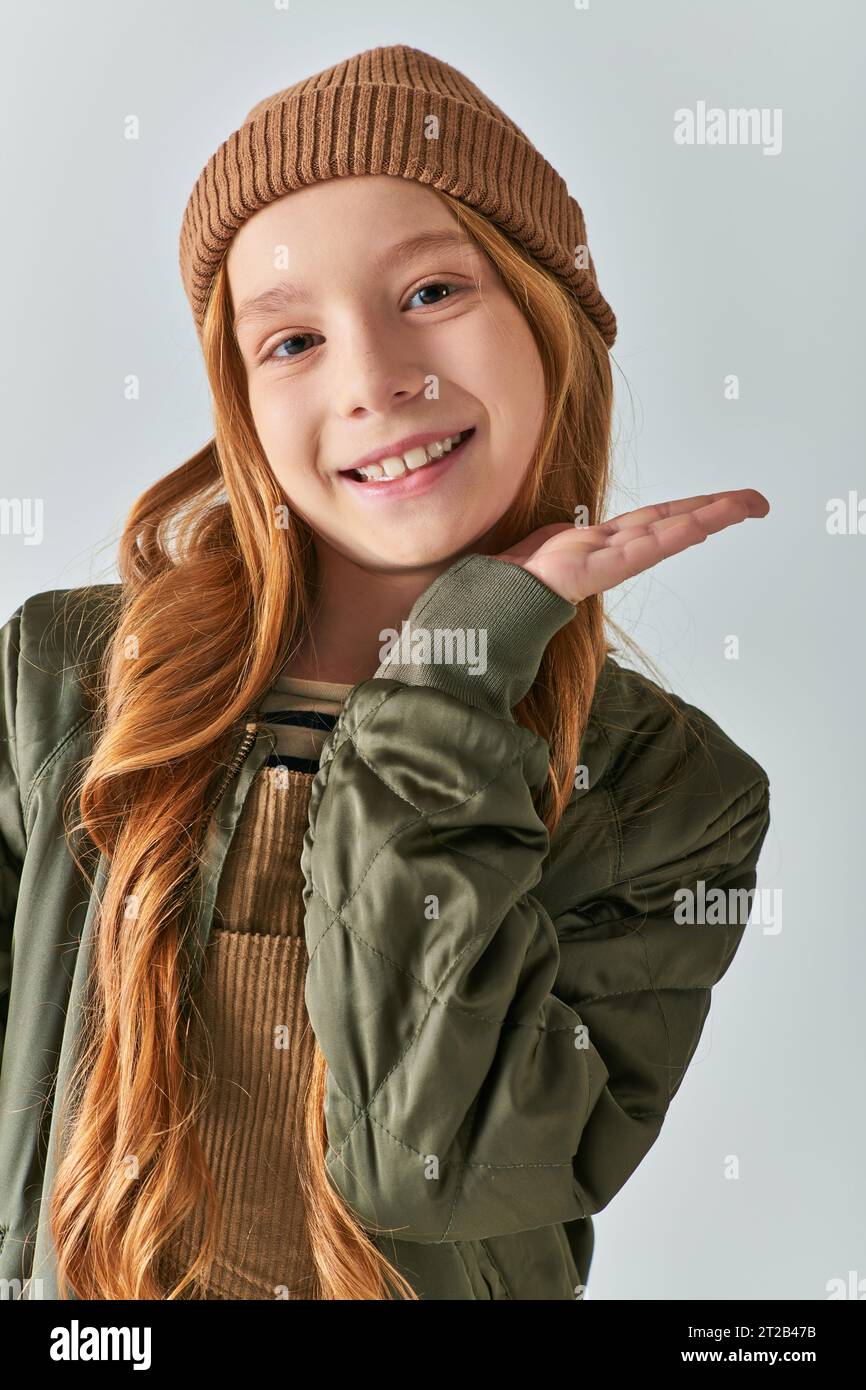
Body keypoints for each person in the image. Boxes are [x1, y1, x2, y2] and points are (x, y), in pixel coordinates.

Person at [0, 43, 771, 1302]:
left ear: (546, 315)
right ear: (241, 401)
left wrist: (445, 689)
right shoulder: (62, 685)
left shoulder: (670, 796)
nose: (371, 379)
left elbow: (440, 1169)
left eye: (427, 294)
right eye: (292, 339)